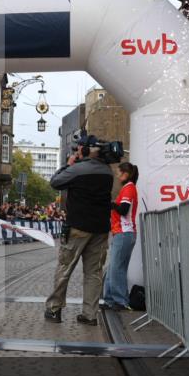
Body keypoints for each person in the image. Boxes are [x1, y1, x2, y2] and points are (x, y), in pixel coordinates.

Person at [44, 137, 114, 326]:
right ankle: (90, 314)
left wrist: (68, 165)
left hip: (78, 228)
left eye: (79, 148)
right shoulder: (107, 171)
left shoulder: (78, 169)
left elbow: (55, 182)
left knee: (64, 268)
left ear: (84, 150)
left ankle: (54, 309)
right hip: (100, 229)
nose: (77, 151)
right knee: (94, 273)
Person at [102, 163, 139, 311]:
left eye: (119, 173)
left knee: (117, 268)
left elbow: (123, 210)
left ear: (126, 174)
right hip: (122, 233)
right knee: (114, 267)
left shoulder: (129, 188)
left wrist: (111, 205)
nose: (117, 176)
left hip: (124, 232)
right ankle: (111, 299)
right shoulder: (127, 188)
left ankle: (119, 300)